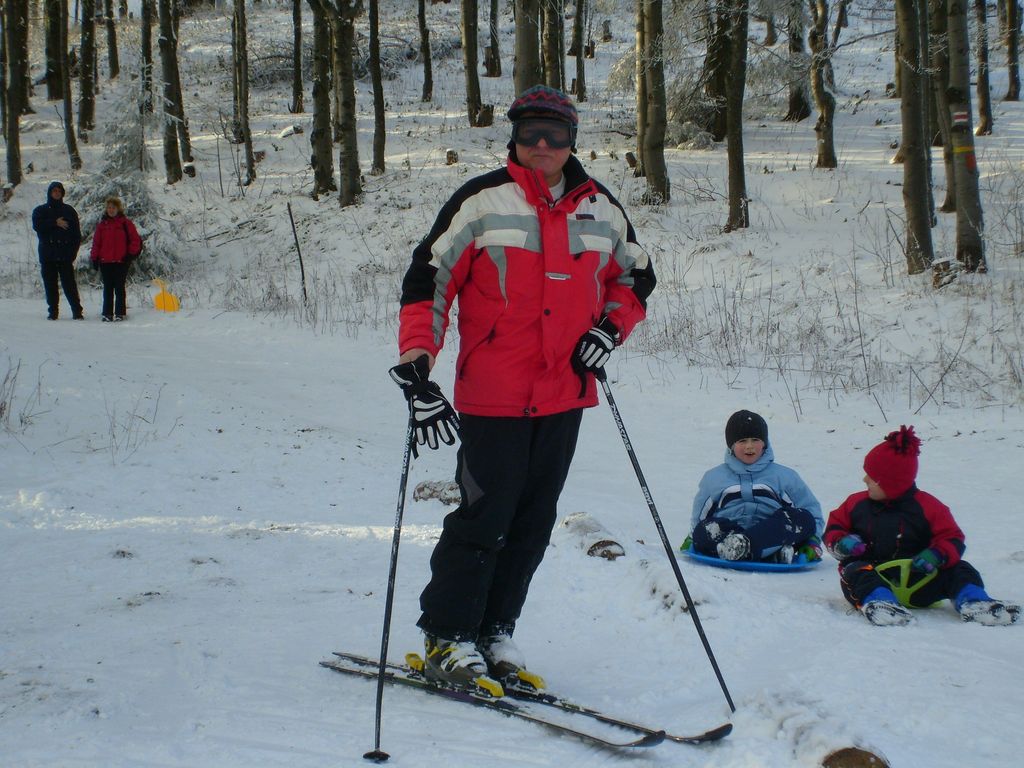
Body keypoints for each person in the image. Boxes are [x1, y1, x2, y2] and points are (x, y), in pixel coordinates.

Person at [388, 85, 656, 695]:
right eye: (530, 131)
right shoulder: (482, 202)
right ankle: (447, 637)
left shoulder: (600, 208)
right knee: (484, 516)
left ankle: (493, 631)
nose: (542, 144)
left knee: (534, 521)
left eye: (555, 134)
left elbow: (636, 277)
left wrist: (610, 330)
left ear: (572, 141)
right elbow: (428, 283)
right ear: (513, 136)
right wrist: (416, 367)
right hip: (493, 395)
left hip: (564, 394)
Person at [824, 425, 1019, 627]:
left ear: (892, 484)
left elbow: (952, 537)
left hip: (920, 580)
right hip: (873, 574)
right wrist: (841, 543)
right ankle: (880, 603)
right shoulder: (856, 504)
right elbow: (834, 527)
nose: (865, 480)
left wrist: (937, 554)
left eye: (872, 478)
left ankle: (975, 602)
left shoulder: (928, 507)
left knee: (960, 568)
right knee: (854, 571)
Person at [688, 410, 823, 563]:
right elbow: (700, 516)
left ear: (765, 443)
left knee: (803, 518)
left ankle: (746, 549)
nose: (749, 446)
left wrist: (812, 540)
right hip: (729, 535)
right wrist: (694, 536)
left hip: (771, 535)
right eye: (742, 441)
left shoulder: (784, 476)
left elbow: (810, 511)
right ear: (731, 445)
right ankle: (766, 554)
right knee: (705, 529)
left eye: (755, 440)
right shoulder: (714, 478)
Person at [31, 181, 84, 320]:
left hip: (65, 255)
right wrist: (55, 223)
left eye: (59, 191)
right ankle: (53, 312)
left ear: (62, 193)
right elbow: (37, 226)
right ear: (49, 193)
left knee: (70, 285)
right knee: (50, 286)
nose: (56, 193)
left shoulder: (69, 211)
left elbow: (76, 235)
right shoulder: (40, 210)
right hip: (47, 255)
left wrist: (72, 253)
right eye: (54, 191)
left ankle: (77, 311)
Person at [90, 196, 142, 321]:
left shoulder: (126, 223)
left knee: (119, 288)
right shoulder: (102, 225)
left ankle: (120, 313)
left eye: (113, 208)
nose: (111, 210)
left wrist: (129, 255)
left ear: (118, 209)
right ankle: (107, 313)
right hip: (105, 261)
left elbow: (135, 240)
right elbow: (97, 243)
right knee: (107, 288)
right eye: (109, 208)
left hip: (121, 261)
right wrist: (94, 258)